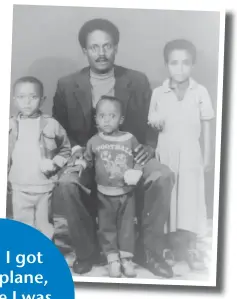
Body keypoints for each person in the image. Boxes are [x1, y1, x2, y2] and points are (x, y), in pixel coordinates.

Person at [53, 18, 174, 278]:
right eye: (94, 47)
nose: (101, 53)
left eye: (107, 46)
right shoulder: (66, 85)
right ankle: (87, 252)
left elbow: (152, 121)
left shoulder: (137, 80)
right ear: (85, 51)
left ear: (116, 48)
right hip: (87, 155)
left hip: (131, 154)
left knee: (162, 175)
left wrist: (150, 147)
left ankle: (149, 251)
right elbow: (60, 127)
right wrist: (74, 151)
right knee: (67, 183)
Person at [148, 39, 215, 270]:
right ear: (166, 65)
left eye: (186, 63)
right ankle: (167, 244)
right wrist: (155, 122)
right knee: (168, 199)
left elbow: (207, 124)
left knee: (190, 199)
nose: (180, 68)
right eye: (174, 63)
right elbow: (153, 120)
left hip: (190, 152)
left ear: (193, 65)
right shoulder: (158, 92)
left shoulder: (200, 92)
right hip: (166, 152)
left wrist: (207, 157)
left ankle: (191, 246)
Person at [74, 96, 143, 278]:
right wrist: (80, 163)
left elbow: (140, 160)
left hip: (127, 194)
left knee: (126, 226)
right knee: (107, 227)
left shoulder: (130, 139)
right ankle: (112, 259)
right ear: (96, 119)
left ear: (121, 120)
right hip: (104, 195)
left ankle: (126, 259)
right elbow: (87, 161)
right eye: (102, 116)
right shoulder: (94, 141)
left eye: (112, 116)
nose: (106, 120)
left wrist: (136, 171)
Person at [8, 76, 71, 240]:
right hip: (19, 184)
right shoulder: (9, 126)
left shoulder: (51, 124)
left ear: (42, 100)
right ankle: (27, 255)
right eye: (21, 97)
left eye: (33, 97)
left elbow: (65, 149)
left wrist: (55, 163)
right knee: (22, 224)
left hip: (44, 185)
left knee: (45, 225)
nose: (27, 102)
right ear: (14, 100)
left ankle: (45, 254)